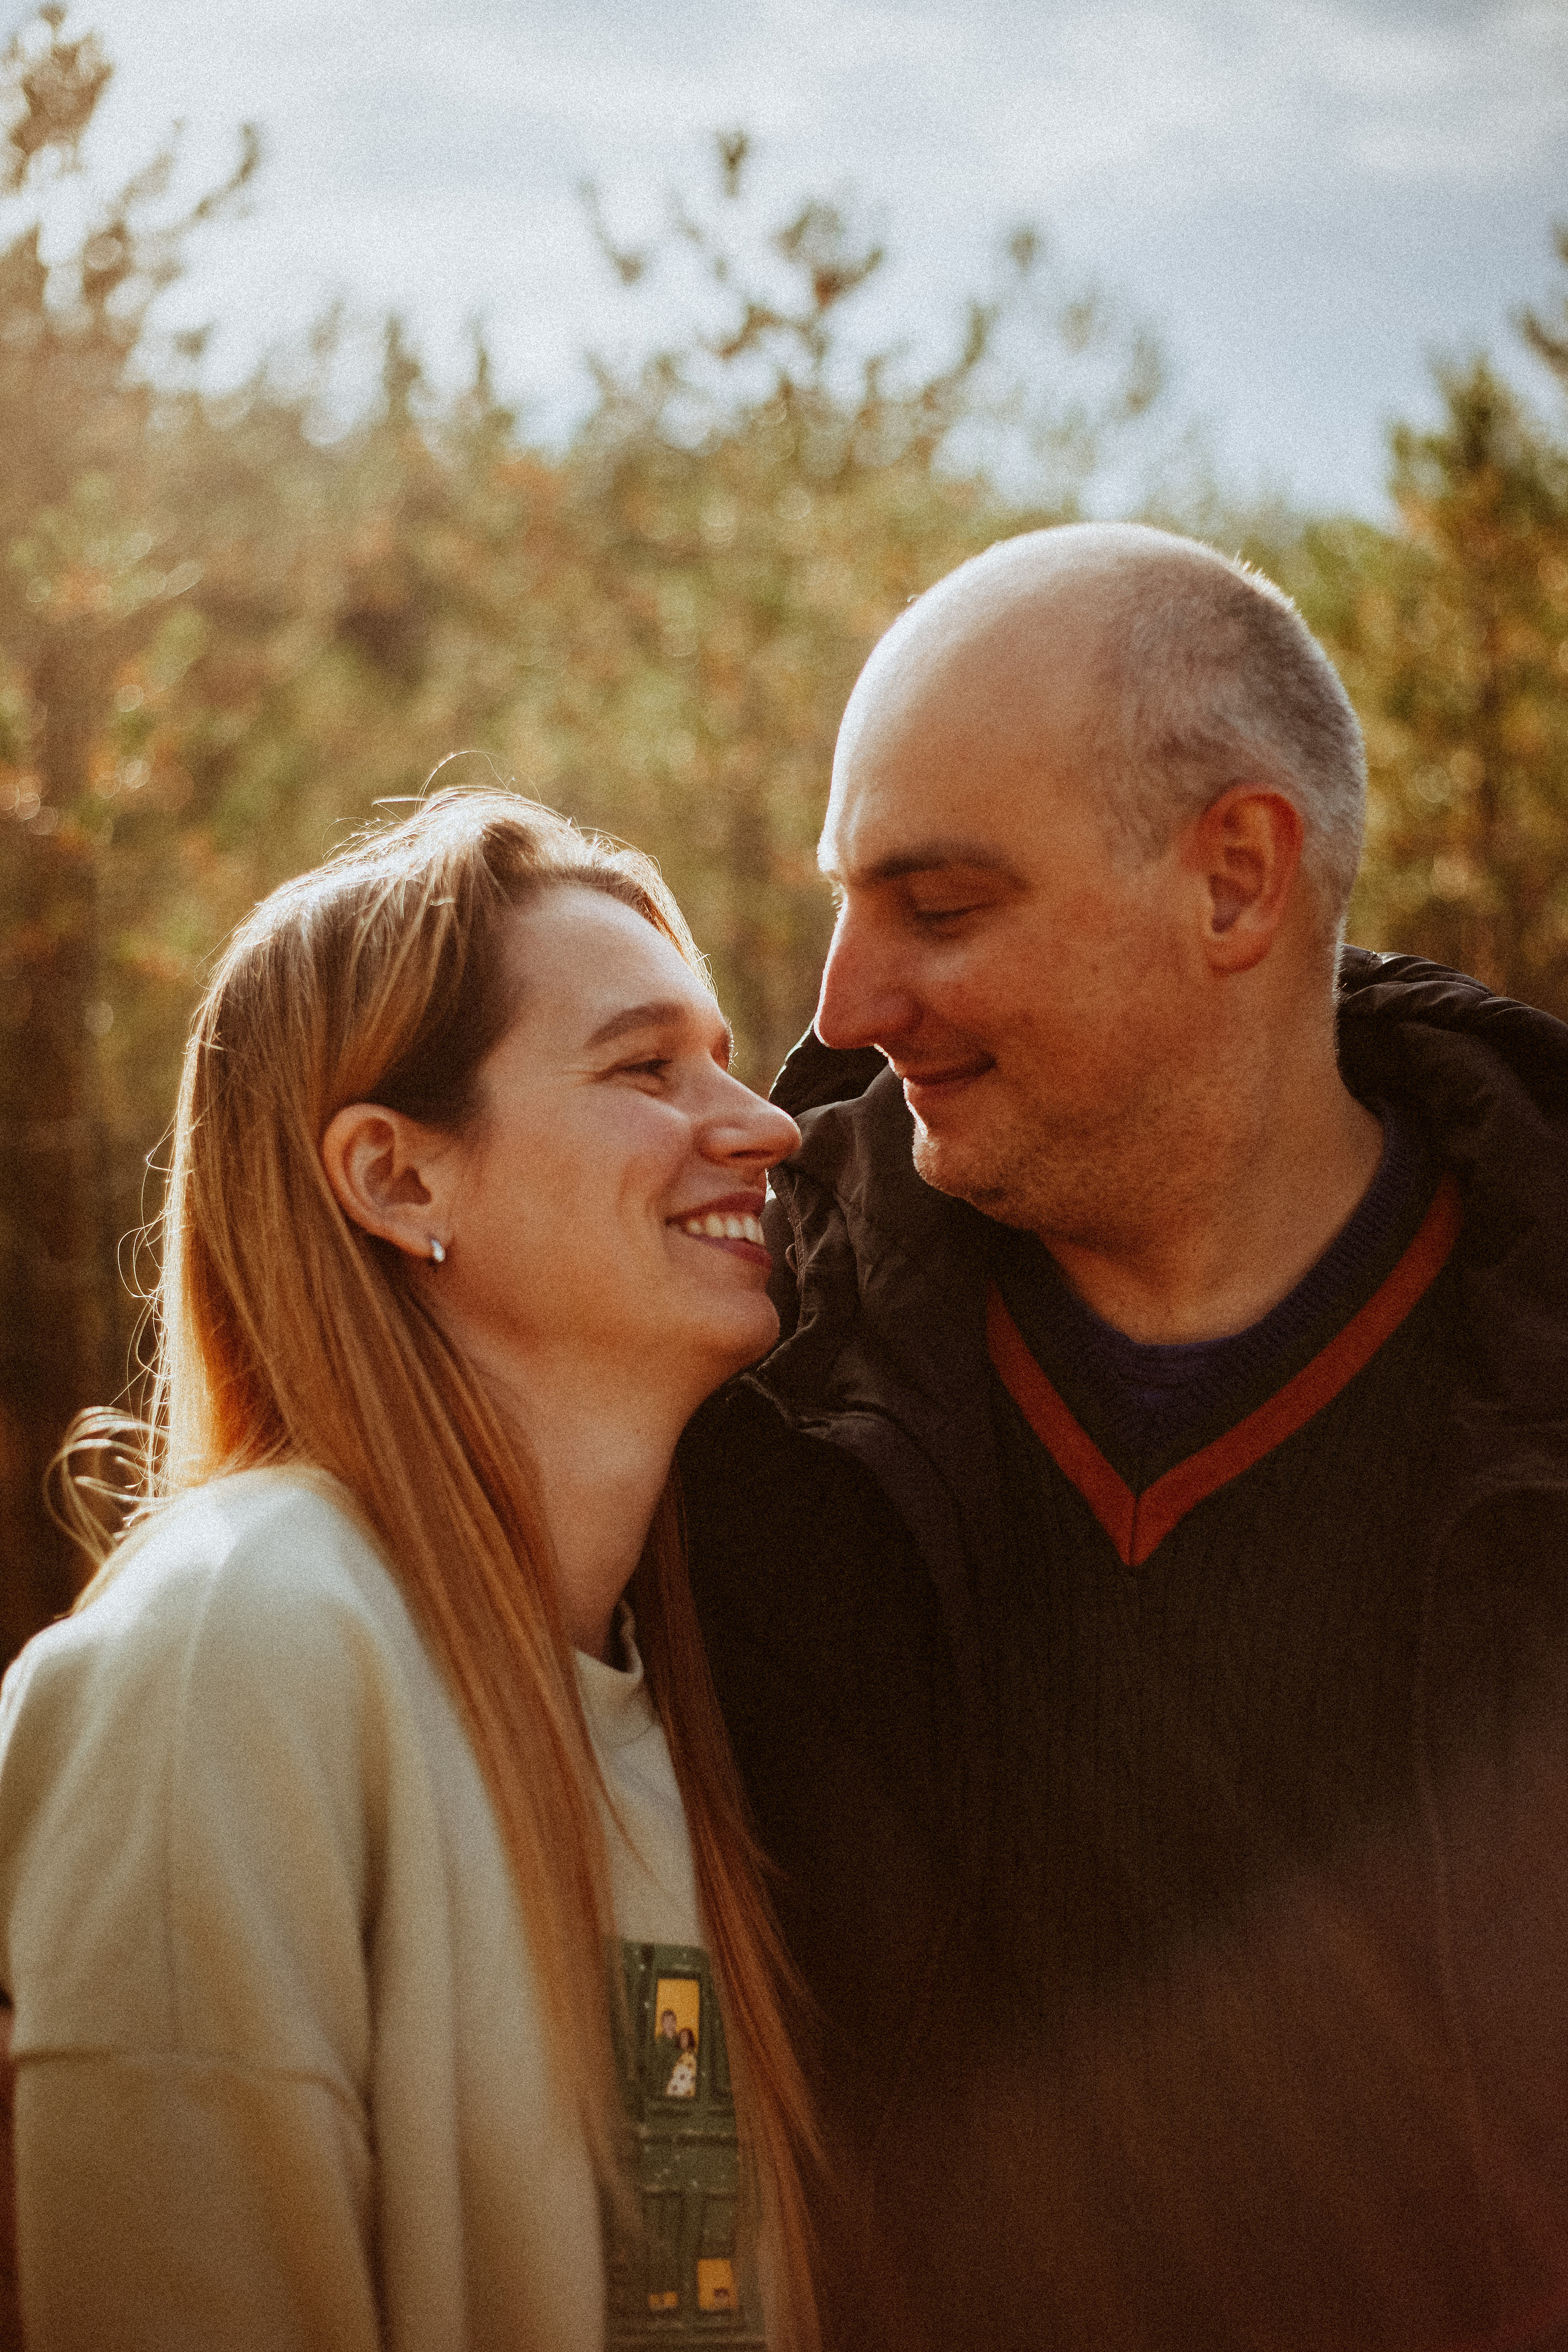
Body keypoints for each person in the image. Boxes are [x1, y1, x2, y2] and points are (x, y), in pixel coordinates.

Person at [680, 522, 1568, 2351]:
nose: (842, 1010)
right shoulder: (739, 1394)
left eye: (938, 909)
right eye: (848, 904)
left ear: (1237, 880)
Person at [0, 789, 820, 2351]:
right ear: (397, 1180)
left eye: (719, 1054)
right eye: (646, 1067)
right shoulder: (234, 1647)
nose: (764, 1124)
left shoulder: (681, 1709)